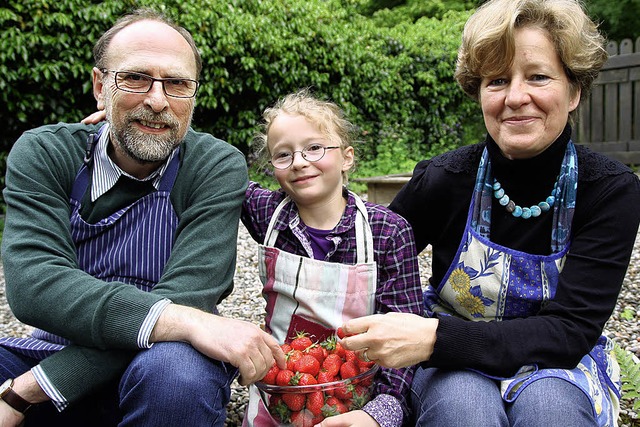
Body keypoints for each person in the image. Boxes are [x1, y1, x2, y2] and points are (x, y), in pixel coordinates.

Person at [336, 0, 640, 426]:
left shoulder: (609, 191)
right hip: (450, 361)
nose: (516, 97)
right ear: (478, 91)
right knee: (463, 410)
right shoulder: (445, 179)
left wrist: (435, 336)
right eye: (497, 80)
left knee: (551, 412)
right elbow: (364, 267)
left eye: (537, 76)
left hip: (557, 362)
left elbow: (570, 331)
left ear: (574, 91)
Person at [0, 8, 285, 427]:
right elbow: (36, 285)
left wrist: (30, 389)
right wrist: (185, 321)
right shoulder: (46, 153)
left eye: (177, 84)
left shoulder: (213, 165)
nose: (157, 100)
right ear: (101, 87)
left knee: (176, 376)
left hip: (161, 362)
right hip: (55, 347)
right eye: (135, 78)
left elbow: (189, 294)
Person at [240, 89, 424, 427]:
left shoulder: (387, 232)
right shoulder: (267, 213)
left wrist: (380, 413)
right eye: (283, 155)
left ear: (347, 158)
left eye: (314, 148)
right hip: (282, 395)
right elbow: (220, 166)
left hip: (356, 402)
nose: (298, 161)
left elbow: (405, 337)